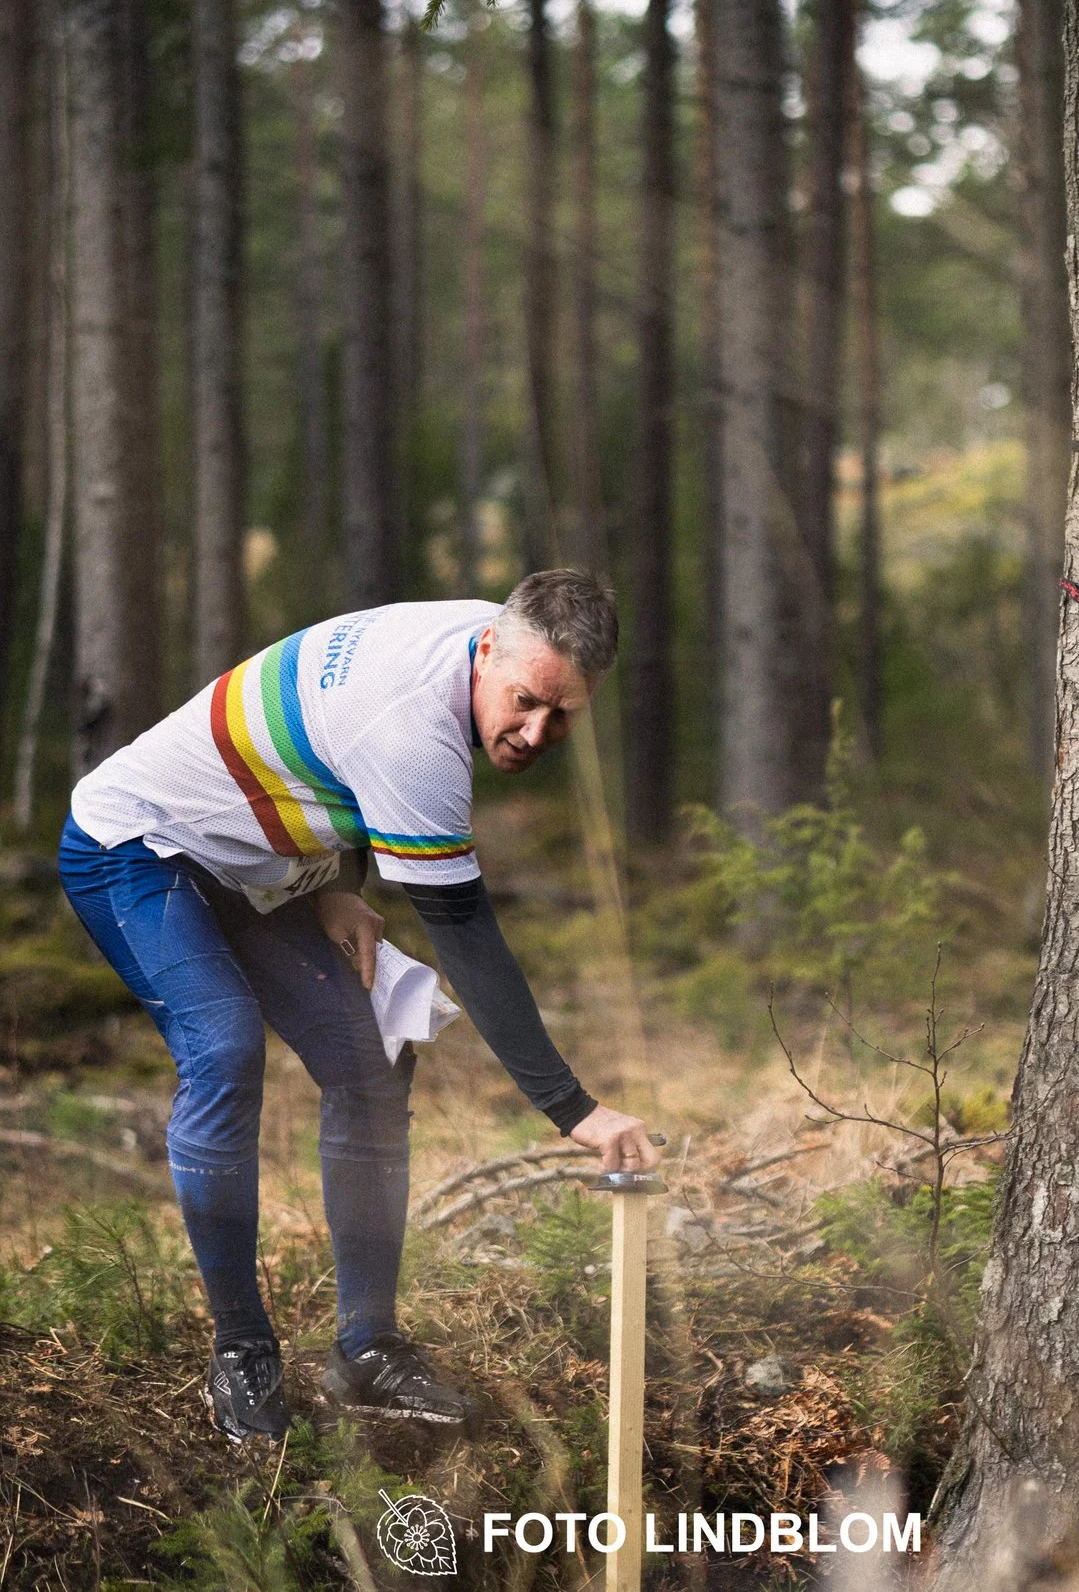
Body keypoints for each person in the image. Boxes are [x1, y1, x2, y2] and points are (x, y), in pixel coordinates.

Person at [57, 570, 657, 1442]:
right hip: (137, 846)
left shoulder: (482, 639)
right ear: (490, 648)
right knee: (224, 1049)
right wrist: (574, 1110)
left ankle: (366, 1350)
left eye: (563, 714)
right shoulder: (418, 727)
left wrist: (337, 882)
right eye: (525, 702)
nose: (534, 732)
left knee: (374, 1053)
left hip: (253, 862)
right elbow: (467, 940)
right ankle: (242, 1352)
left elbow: (330, 751)